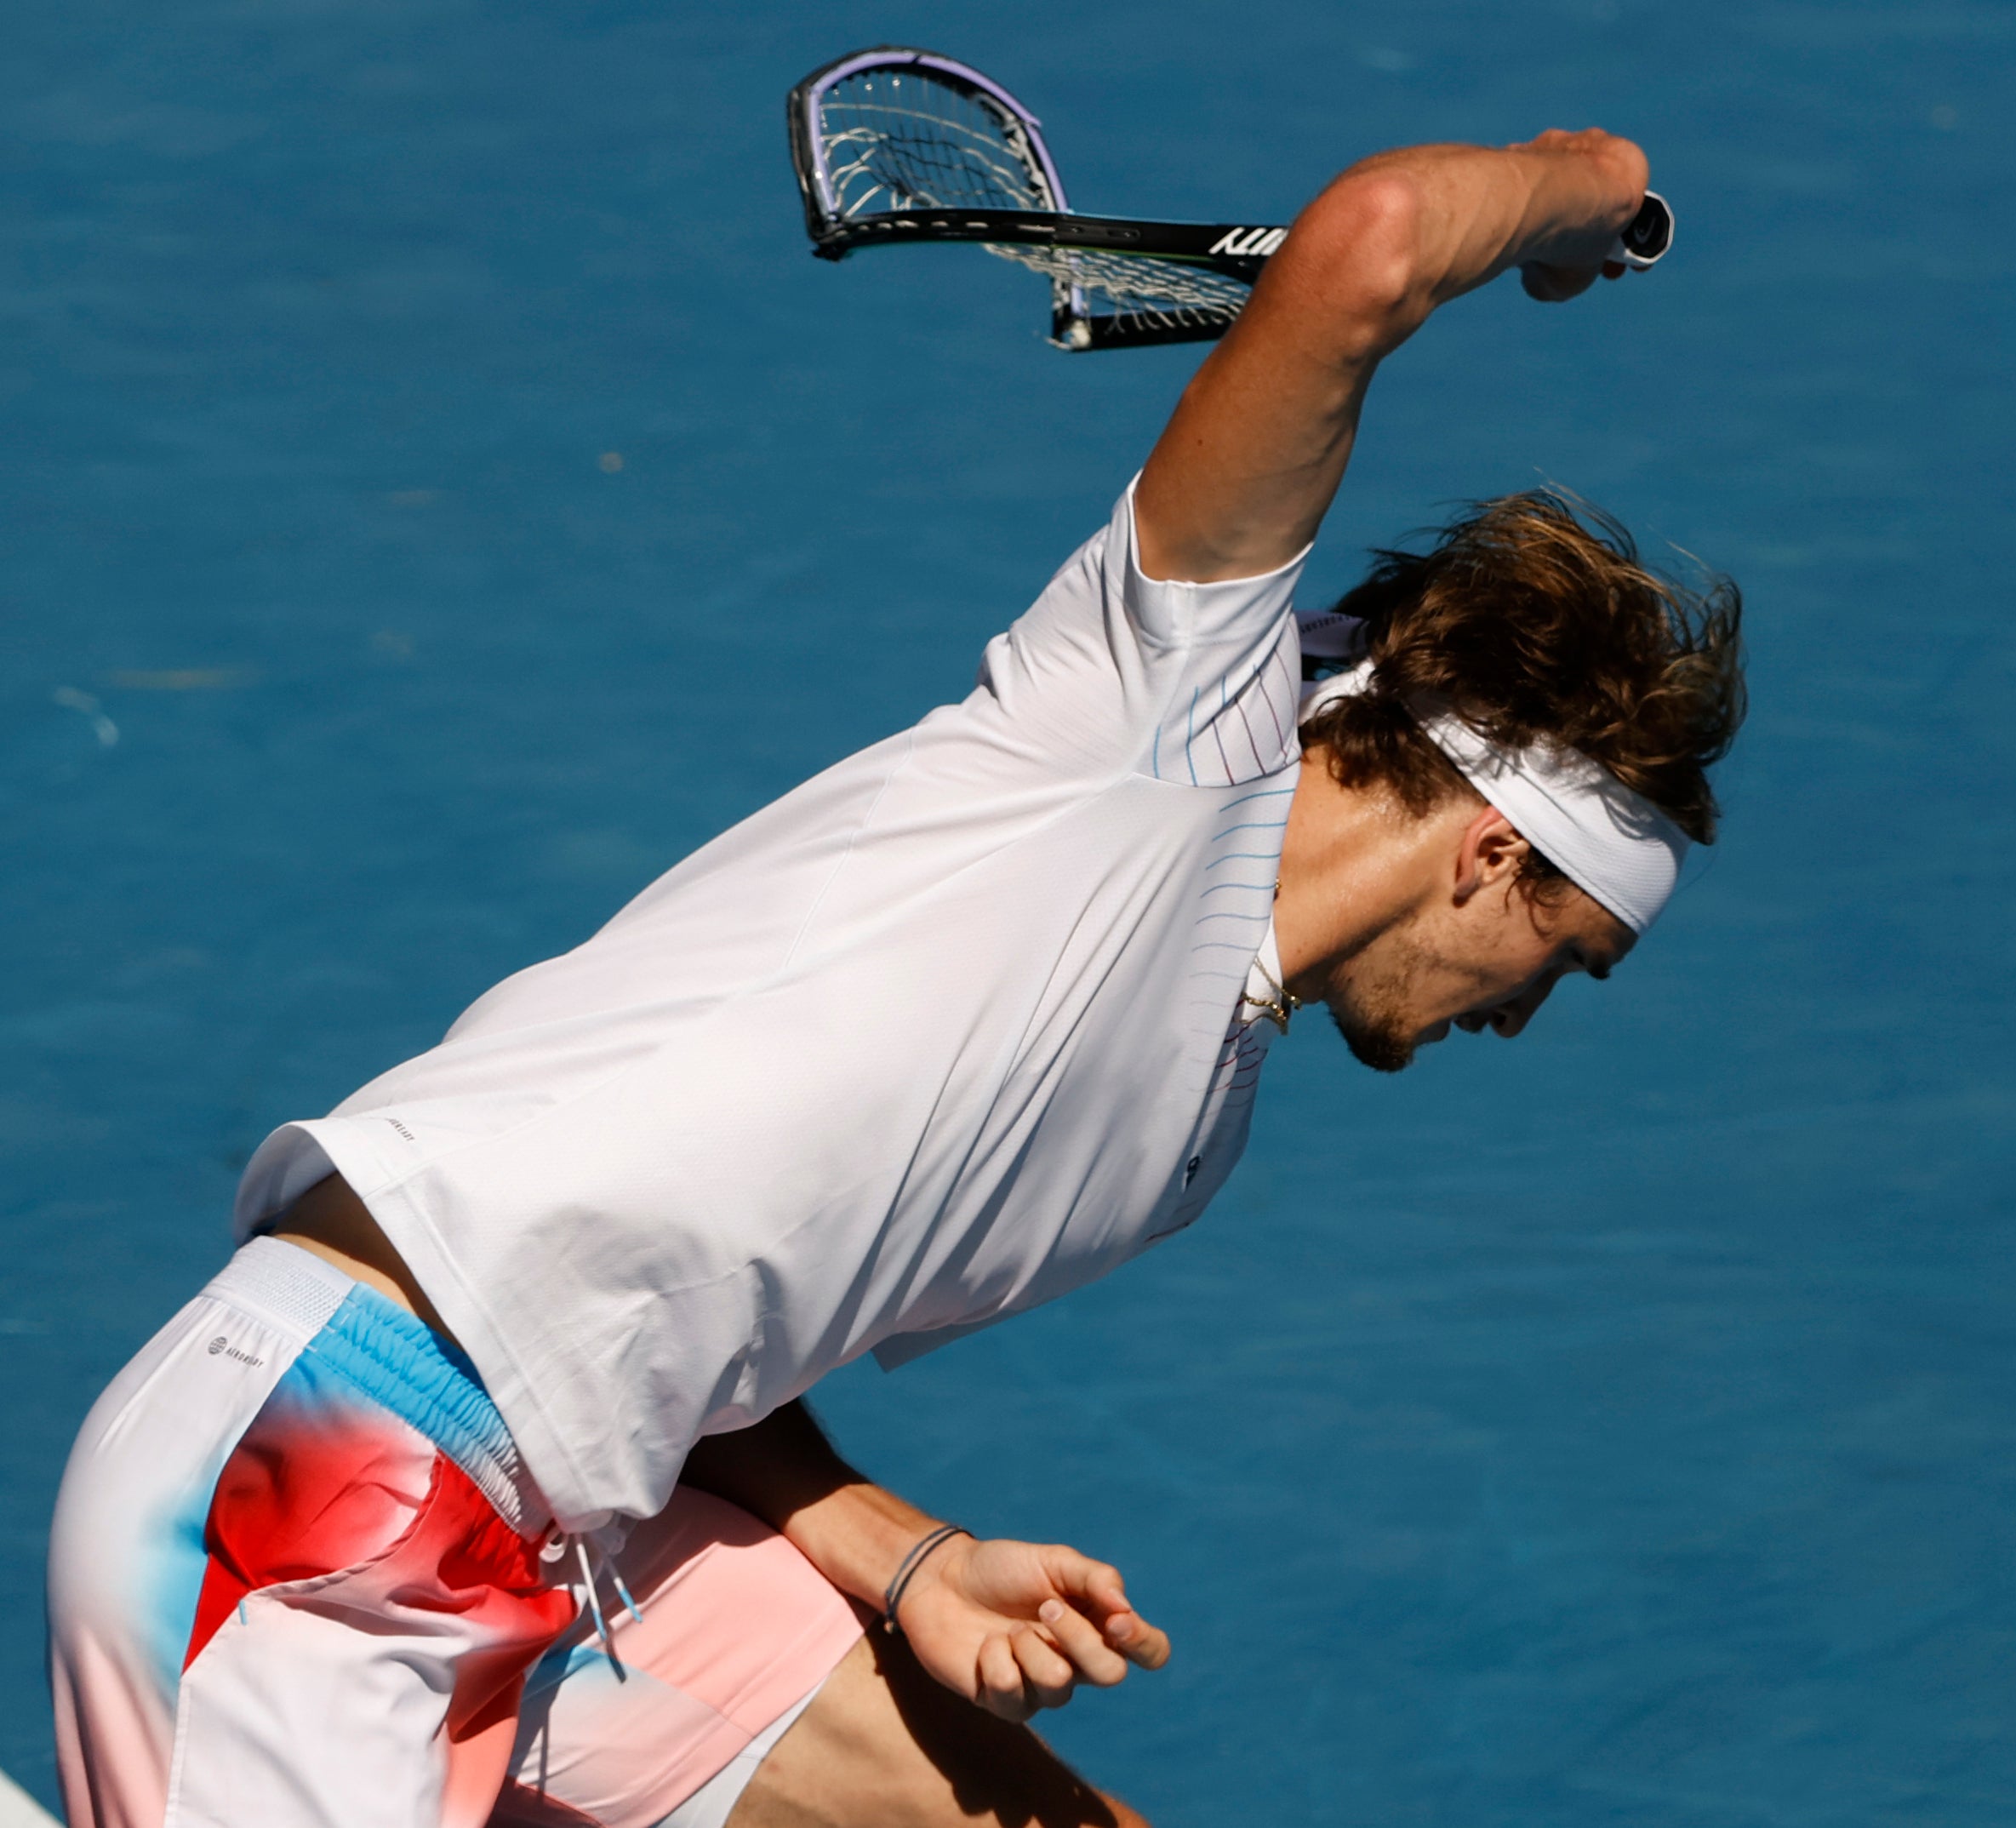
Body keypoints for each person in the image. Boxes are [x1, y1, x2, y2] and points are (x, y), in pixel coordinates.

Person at [48, 125, 1744, 1828]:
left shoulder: (1185, 1143)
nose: (1527, 1014)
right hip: (329, 1480)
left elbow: (691, 1326)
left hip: (570, 1515)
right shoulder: (1158, 726)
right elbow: (1372, 241)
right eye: (1567, 962)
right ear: (1495, 854)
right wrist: (1580, 190)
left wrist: (908, 1558)